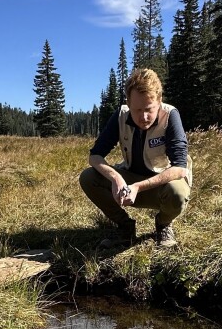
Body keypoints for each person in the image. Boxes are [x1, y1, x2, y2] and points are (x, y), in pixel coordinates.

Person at [79, 68, 191, 247]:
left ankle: (163, 225)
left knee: (178, 193)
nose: (143, 117)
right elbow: (95, 156)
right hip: (128, 180)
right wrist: (116, 179)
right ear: (128, 103)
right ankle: (124, 227)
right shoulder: (121, 116)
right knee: (88, 177)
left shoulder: (170, 116)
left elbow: (179, 168)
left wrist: (138, 187)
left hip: (162, 186)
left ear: (159, 101)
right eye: (137, 110)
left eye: (149, 109)